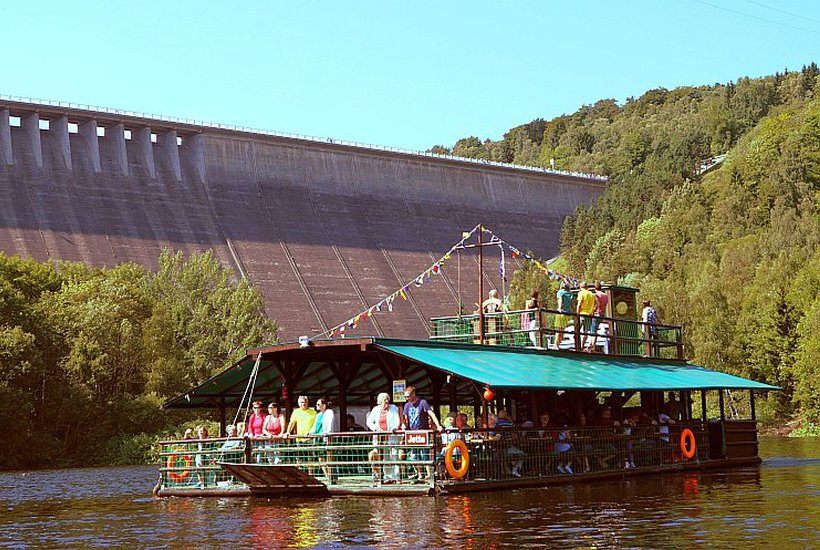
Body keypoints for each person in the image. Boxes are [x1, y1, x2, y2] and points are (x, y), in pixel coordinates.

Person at [402, 386, 443, 482]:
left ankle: (429, 475)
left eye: (408, 396)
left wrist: (438, 425)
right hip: (412, 434)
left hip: (423, 432)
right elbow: (404, 418)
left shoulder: (422, 402)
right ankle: (420, 474)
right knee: (414, 455)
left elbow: (431, 414)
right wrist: (403, 425)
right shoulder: (406, 405)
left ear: (413, 394)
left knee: (425, 454)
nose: (407, 398)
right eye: (405, 397)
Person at [367, 392, 402, 483]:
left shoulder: (394, 408)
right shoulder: (375, 409)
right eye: (384, 401)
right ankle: (387, 477)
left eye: (387, 400)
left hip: (391, 436)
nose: (386, 402)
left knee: (393, 456)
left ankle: (396, 477)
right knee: (383, 457)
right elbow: (369, 422)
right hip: (379, 437)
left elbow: (397, 420)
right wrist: (376, 428)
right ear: (380, 402)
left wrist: (394, 428)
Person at [311, 397, 336, 481]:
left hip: (326, 438)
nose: (316, 406)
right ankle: (328, 476)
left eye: (318, 404)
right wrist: (310, 432)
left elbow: (329, 426)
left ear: (324, 405)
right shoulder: (318, 415)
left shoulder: (329, 413)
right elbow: (315, 427)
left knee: (329, 457)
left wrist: (327, 433)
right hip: (318, 438)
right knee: (321, 458)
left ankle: (332, 476)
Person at [589, 282, 609, 352]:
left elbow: (598, 304)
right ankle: (591, 345)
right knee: (595, 329)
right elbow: (605, 304)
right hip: (602, 314)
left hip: (597, 314)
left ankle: (592, 347)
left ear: (595, 288)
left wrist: (592, 311)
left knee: (593, 331)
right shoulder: (605, 295)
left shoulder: (596, 295)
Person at [576, 281, 596, 351]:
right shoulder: (591, 294)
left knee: (576, 331)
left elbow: (579, 304)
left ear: (581, 287)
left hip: (582, 314)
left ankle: (577, 347)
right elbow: (596, 304)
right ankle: (582, 346)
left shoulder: (581, 293)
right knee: (586, 332)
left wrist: (577, 314)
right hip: (589, 315)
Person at [553, 282, 573, 349]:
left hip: (562, 313)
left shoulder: (560, 292)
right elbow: (571, 304)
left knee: (558, 330)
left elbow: (560, 300)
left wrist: (559, 308)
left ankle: (556, 345)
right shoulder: (570, 293)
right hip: (568, 314)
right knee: (562, 330)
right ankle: (558, 344)